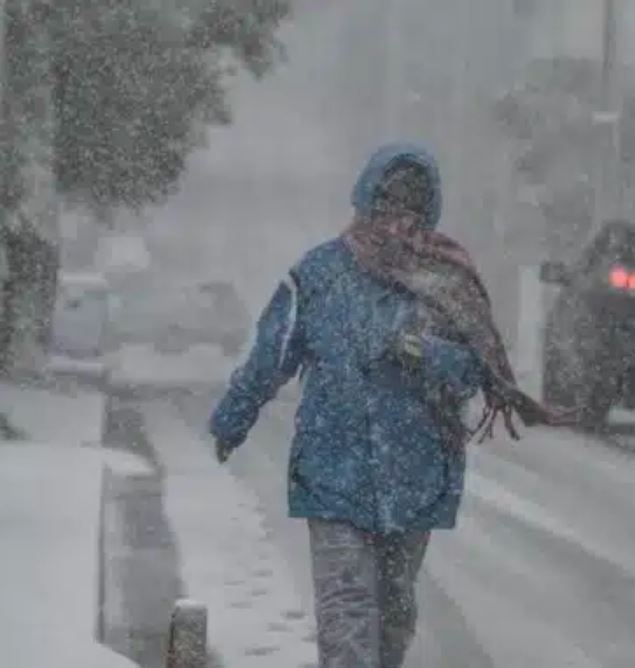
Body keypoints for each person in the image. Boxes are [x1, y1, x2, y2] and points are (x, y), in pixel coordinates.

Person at [209, 143, 559, 667]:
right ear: (365, 200)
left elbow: (473, 371)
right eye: (387, 203)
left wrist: (423, 352)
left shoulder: (446, 281)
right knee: (346, 616)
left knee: (392, 624)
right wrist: (233, 418)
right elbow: (271, 354)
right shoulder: (320, 275)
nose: (398, 219)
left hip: (415, 478)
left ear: (430, 209)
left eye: (411, 206)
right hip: (331, 475)